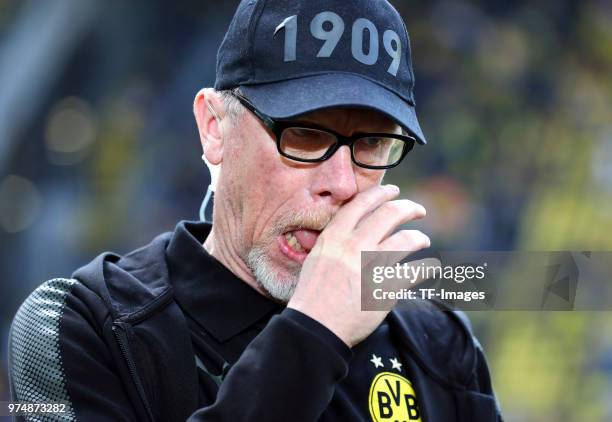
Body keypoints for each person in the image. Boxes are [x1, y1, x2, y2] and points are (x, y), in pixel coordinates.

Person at [8, 0, 503, 420]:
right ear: (215, 128)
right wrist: (312, 335)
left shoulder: (435, 339)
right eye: (305, 134)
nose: (342, 183)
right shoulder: (88, 327)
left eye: (372, 143)